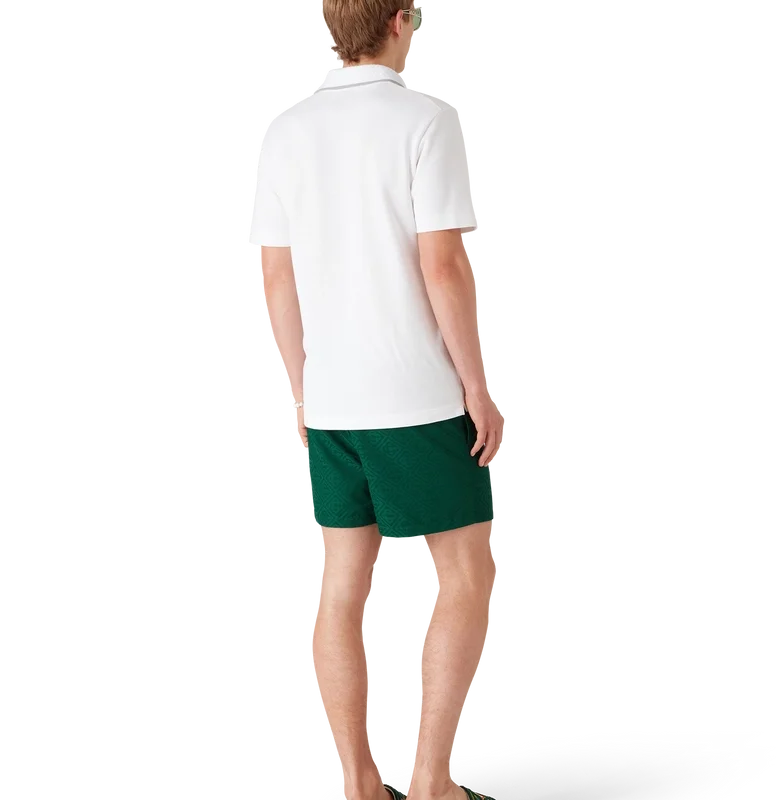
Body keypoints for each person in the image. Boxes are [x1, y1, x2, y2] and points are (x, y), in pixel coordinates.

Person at [251, 3, 505, 798]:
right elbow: (444, 265)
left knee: (341, 582)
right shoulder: (426, 118)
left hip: (334, 401)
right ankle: (430, 783)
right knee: (463, 569)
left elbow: (275, 276)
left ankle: (360, 786)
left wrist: (302, 392)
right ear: (400, 21)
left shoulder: (284, 127)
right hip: (417, 394)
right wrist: (477, 387)